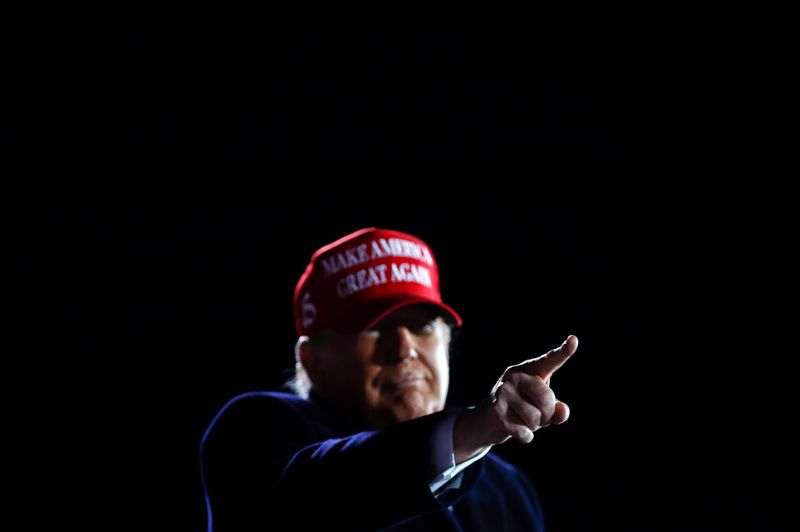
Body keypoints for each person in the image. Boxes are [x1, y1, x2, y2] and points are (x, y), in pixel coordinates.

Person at [200, 227, 578, 531]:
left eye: (424, 326)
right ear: (313, 361)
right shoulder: (256, 428)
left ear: (447, 342)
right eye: (373, 328)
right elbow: (311, 498)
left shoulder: (508, 488)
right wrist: (473, 430)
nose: (404, 348)